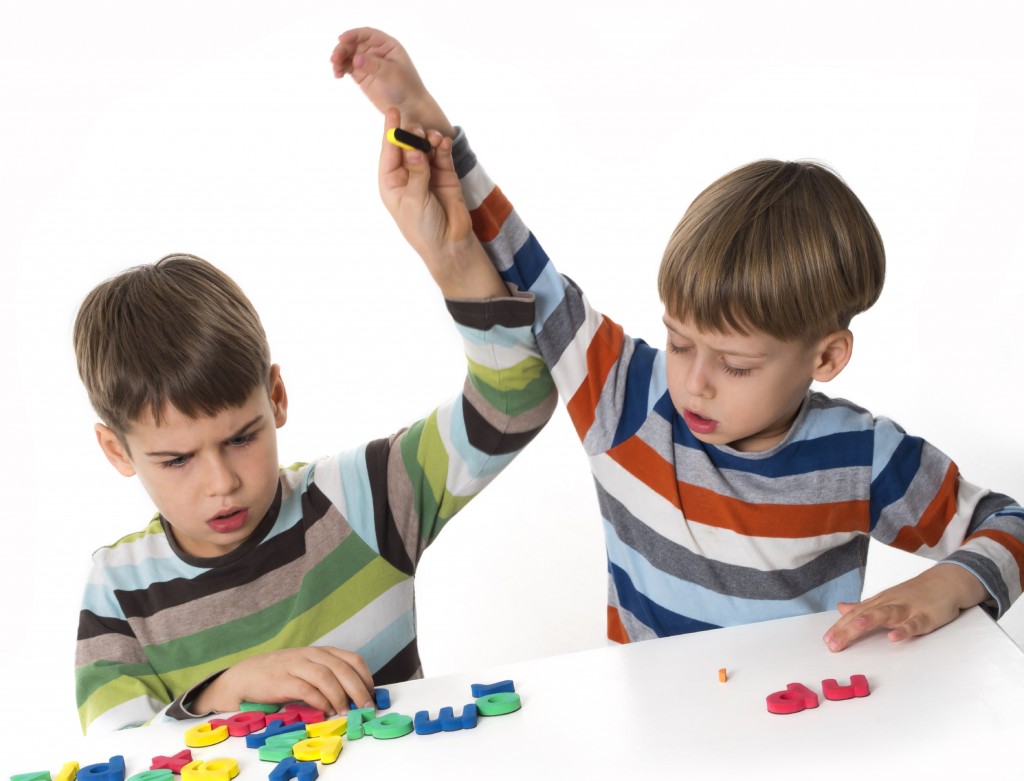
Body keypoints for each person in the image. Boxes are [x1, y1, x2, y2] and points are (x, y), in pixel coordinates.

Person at [332, 27, 1024, 654]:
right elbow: (532, 279)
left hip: (799, 736)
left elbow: (1010, 525)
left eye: (737, 364)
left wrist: (952, 584)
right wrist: (425, 120)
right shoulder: (628, 396)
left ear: (825, 357)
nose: (693, 379)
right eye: (682, 341)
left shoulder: (863, 457)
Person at [72, 115, 556, 733]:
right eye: (176, 460)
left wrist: (455, 259)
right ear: (116, 450)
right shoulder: (117, 592)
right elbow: (119, 762)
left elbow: (512, 404)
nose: (222, 482)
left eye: (242, 438)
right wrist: (223, 691)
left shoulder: (358, 497)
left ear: (276, 397)